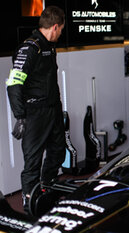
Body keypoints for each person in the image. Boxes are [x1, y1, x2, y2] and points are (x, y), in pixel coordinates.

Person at [6, 6, 65, 213]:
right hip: (35, 113)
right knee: (32, 161)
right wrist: (20, 117)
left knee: (58, 152)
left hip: (53, 109)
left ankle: (46, 191)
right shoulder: (29, 48)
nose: (60, 34)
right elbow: (14, 84)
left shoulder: (50, 45)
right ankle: (30, 206)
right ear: (55, 27)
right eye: (60, 30)